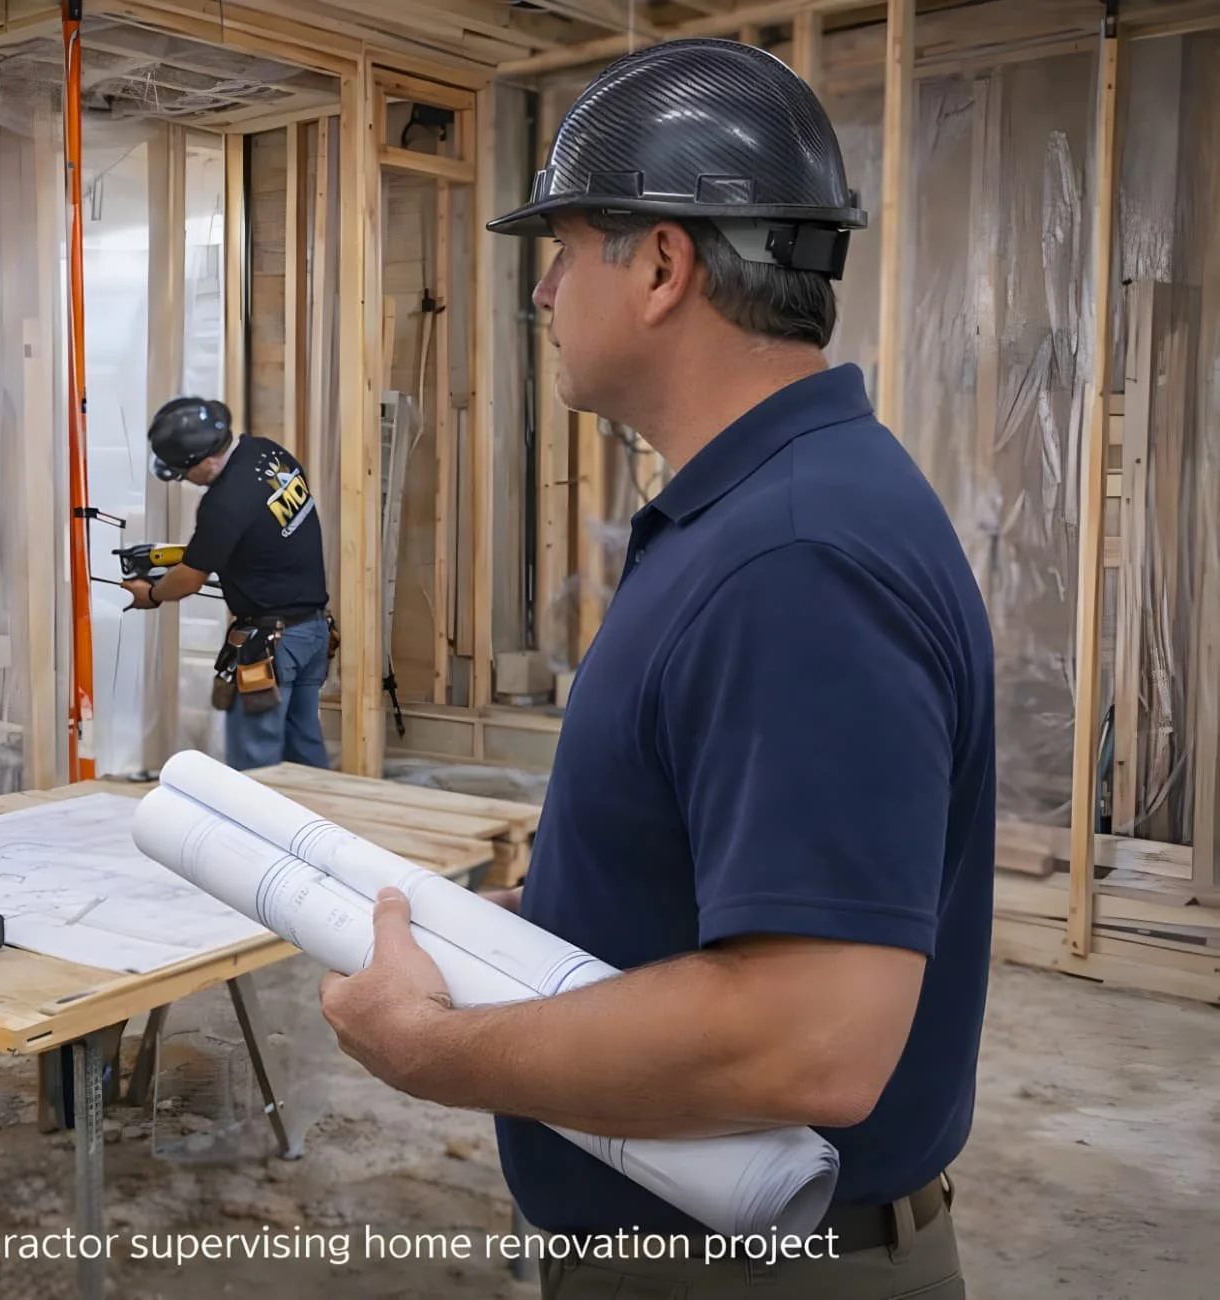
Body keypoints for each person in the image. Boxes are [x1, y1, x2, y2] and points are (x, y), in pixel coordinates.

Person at [316, 38, 994, 1300]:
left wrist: (437, 1046)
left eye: (564, 251)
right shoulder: (763, 511)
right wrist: (565, 928)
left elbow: (814, 1036)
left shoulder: (794, 558)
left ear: (667, 266)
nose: (543, 293)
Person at [121, 396, 333, 770]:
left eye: (183, 472)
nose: (184, 480)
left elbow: (188, 579)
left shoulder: (223, 503)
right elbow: (258, 534)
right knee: (304, 749)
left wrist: (152, 594)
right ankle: (318, 826)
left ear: (205, 461)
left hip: (273, 645)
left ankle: (259, 830)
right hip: (313, 631)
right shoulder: (267, 453)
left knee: (257, 761)